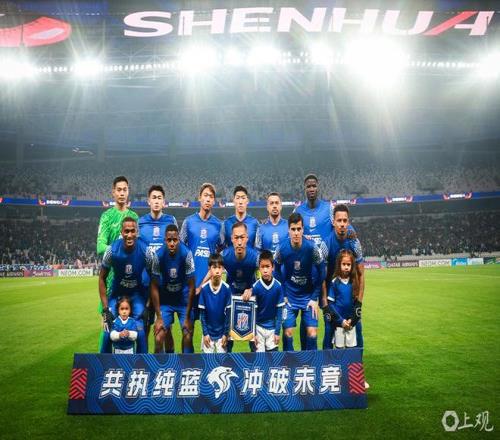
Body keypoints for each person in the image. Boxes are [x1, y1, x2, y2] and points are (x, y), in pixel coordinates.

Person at [99, 217, 156, 353]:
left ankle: (142, 363)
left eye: (132, 231)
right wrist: (106, 309)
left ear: (137, 232)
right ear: (121, 232)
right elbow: (101, 278)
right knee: (107, 332)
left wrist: (148, 306)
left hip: (136, 295)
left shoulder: (146, 251)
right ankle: (104, 364)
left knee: (140, 332)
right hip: (117, 295)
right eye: (126, 231)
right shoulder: (111, 250)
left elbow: (154, 278)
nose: (129, 235)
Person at [96, 176, 139, 350]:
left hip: (130, 281)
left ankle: (133, 364)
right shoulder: (107, 216)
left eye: (125, 190)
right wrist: (120, 251)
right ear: (113, 192)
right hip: (111, 280)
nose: (122, 193)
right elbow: (100, 246)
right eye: (119, 190)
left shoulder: (134, 216)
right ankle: (102, 363)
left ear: (128, 192)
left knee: (132, 327)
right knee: (107, 328)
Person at [274, 213, 325, 351]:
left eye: (298, 229)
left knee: (312, 333)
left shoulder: (312, 248)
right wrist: (283, 294)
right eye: (293, 229)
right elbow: (276, 270)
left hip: (308, 297)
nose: (296, 232)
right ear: (288, 230)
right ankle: (289, 363)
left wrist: (314, 297)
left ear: (303, 229)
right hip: (289, 297)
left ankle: (311, 363)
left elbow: (322, 271)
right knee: (287, 333)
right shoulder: (281, 248)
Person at [180, 183, 222, 342]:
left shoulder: (218, 225)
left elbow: (220, 253)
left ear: (214, 201)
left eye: (211, 196)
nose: (208, 199)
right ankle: (187, 359)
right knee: (187, 331)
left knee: (212, 333)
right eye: (205, 195)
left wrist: (209, 278)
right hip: (189, 285)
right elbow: (180, 251)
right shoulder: (188, 222)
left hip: (209, 286)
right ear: (199, 198)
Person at [294, 174, 331, 349]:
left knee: (328, 313)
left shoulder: (328, 208)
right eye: (308, 186)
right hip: (307, 272)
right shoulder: (298, 211)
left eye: (314, 186)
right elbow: (292, 232)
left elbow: (341, 224)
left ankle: (328, 354)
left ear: (318, 187)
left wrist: (351, 231)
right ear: (304, 188)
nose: (311, 189)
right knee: (306, 314)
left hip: (326, 269)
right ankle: (305, 353)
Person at [138, 185, 178, 351]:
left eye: (159, 198)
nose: (156, 201)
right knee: (145, 327)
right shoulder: (140, 222)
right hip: (145, 284)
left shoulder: (171, 221)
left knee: (166, 329)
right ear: (148, 201)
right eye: (153, 198)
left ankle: (168, 360)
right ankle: (144, 361)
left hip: (164, 285)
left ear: (164, 202)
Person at [322, 204, 365, 349]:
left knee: (357, 327)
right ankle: (327, 360)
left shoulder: (354, 242)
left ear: (348, 222)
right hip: (332, 294)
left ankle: (358, 361)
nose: (342, 224)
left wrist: (359, 303)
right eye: (339, 220)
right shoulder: (326, 244)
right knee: (329, 329)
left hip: (349, 294)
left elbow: (361, 274)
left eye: (345, 220)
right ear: (333, 222)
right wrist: (325, 304)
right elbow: (322, 277)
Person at [323, 249, 366, 389]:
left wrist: (352, 321)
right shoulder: (334, 282)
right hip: (339, 324)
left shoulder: (354, 282)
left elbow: (356, 304)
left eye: (348, 264)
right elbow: (331, 304)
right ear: (339, 265)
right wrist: (341, 321)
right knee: (339, 351)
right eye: (344, 264)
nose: (346, 267)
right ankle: (339, 379)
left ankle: (355, 378)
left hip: (351, 324)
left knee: (351, 351)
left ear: (352, 266)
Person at [150, 224, 196, 353]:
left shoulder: (187, 254)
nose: (172, 243)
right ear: (165, 240)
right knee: (158, 336)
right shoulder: (158, 256)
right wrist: (159, 317)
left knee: (187, 334)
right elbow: (153, 286)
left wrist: (187, 316)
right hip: (166, 301)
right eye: (169, 240)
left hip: (183, 301)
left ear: (179, 239)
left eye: (174, 240)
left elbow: (192, 286)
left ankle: (186, 363)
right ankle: (159, 365)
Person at [221, 222, 259, 352]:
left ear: (247, 238)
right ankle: (225, 363)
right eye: (236, 238)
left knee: (254, 340)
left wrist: (252, 289)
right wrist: (201, 287)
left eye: (242, 237)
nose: (239, 242)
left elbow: (264, 279)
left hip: (250, 299)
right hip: (231, 300)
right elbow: (213, 271)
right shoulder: (224, 255)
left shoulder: (255, 257)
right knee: (226, 339)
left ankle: (257, 363)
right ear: (231, 238)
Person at [242, 250, 285, 352]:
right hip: (258, 328)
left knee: (273, 358)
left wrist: (277, 333)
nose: (265, 270)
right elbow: (253, 313)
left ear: (273, 267)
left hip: (272, 328)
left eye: (267, 266)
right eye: (262, 267)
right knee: (258, 359)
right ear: (259, 268)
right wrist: (253, 333)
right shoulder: (256, 287)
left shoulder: (278, 286)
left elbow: (279, 312)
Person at [198, 254, 232, 354]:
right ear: (209, 269)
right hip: (208, 334)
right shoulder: (204, 289)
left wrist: (225, 334)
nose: (217, 271)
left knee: (223, 361)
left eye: (219, 267)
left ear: (223, 269)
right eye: (214, 267)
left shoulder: (226, 289)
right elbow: (202, 315)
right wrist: (205, 334)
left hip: (222, 334)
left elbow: (228, 314)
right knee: (208, 361)